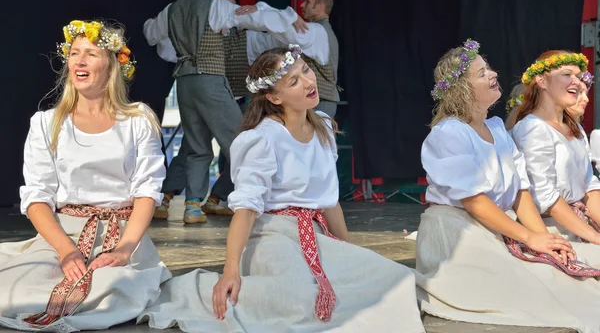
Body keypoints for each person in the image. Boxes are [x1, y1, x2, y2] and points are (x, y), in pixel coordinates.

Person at [138, 45, 425, 333]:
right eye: (294, 81)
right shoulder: (262, 140)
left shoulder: (323, 128)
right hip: (272, 235)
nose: (309, 82)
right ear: (275, 97)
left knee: (395, 280)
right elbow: (248, 211)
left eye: (306, 70)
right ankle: (196, 291)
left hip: (315, 233)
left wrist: (350, 252)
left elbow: (329, 203)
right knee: (299, 301)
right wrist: (230, 270)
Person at [416, 39, 600, 331]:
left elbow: (521, 192)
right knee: (540, 294)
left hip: (499, 226)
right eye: (481, 73)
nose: (493, 74)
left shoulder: (497, 129)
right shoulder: (449, 133)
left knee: (563, 271)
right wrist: (529, 237)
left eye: (488, 68)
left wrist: (546, 240)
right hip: (459, 233)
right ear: (462, 89)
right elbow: (475, 201)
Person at [0, 20, 170, 331]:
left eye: (91, 53)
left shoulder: (137, 120)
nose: (79, 60)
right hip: (62, 234)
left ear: (111, 65)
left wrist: (124, 249)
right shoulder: (46, 122)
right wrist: (65, 251)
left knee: (110, 293)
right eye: (75, 53)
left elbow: (147, 190)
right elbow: (37, 197)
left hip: (123, 233)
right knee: (14, 294)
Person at [142, 0, 297, 224]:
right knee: (241, 141)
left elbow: (151, 33)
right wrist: (286, 17)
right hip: (209, 79)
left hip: (184, 82)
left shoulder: (172, 9)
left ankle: (192, 206)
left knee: (198, 147)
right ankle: (261, 201)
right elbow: (254, 19)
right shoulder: (216, 7)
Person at [511, 51, 600, 243]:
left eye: (577, 76)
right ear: (542, 81)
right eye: (567, 75)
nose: (576, 82)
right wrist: (595, 238)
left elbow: (589, 186)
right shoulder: (532, 128)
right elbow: (545, 196)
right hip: (552, 230)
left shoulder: (574, 128)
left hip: (582, 224)